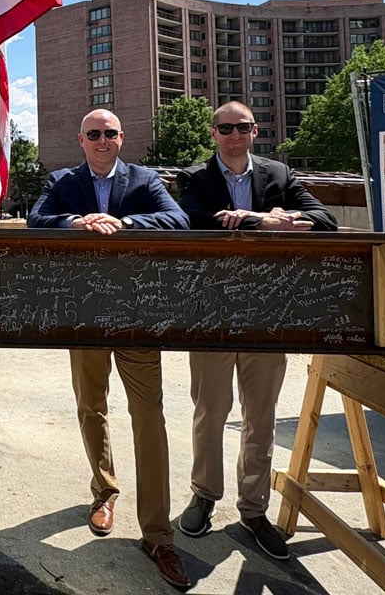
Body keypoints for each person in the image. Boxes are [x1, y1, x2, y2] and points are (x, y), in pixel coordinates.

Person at [27, 109, 191, 589]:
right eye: (94, 134)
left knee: (149, 418)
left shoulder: (145, 179)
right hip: (85, 314)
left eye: (110, 134)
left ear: (123, 138)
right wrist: (77, 222)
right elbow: (37, 221)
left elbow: (177, 219)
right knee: (90, 407)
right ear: (81, 140)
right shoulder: (63, 180)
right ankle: (104, 491)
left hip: (138, 316)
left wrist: (123, 221)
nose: (102, 141)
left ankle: (159, 534)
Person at [176, 100, 337, 560]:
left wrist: (257, 218)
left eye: (242, 127)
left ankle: (253, 509)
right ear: (213, 133)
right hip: (211, 312)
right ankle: (204, 494)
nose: (234, 134)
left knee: (260, 416)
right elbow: (192, 224)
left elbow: (325, 221)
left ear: (255, 130)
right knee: (210, 409)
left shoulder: (279, 176)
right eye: (225, 128)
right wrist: (262, 220)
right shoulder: (194, 178)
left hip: (269, 313)